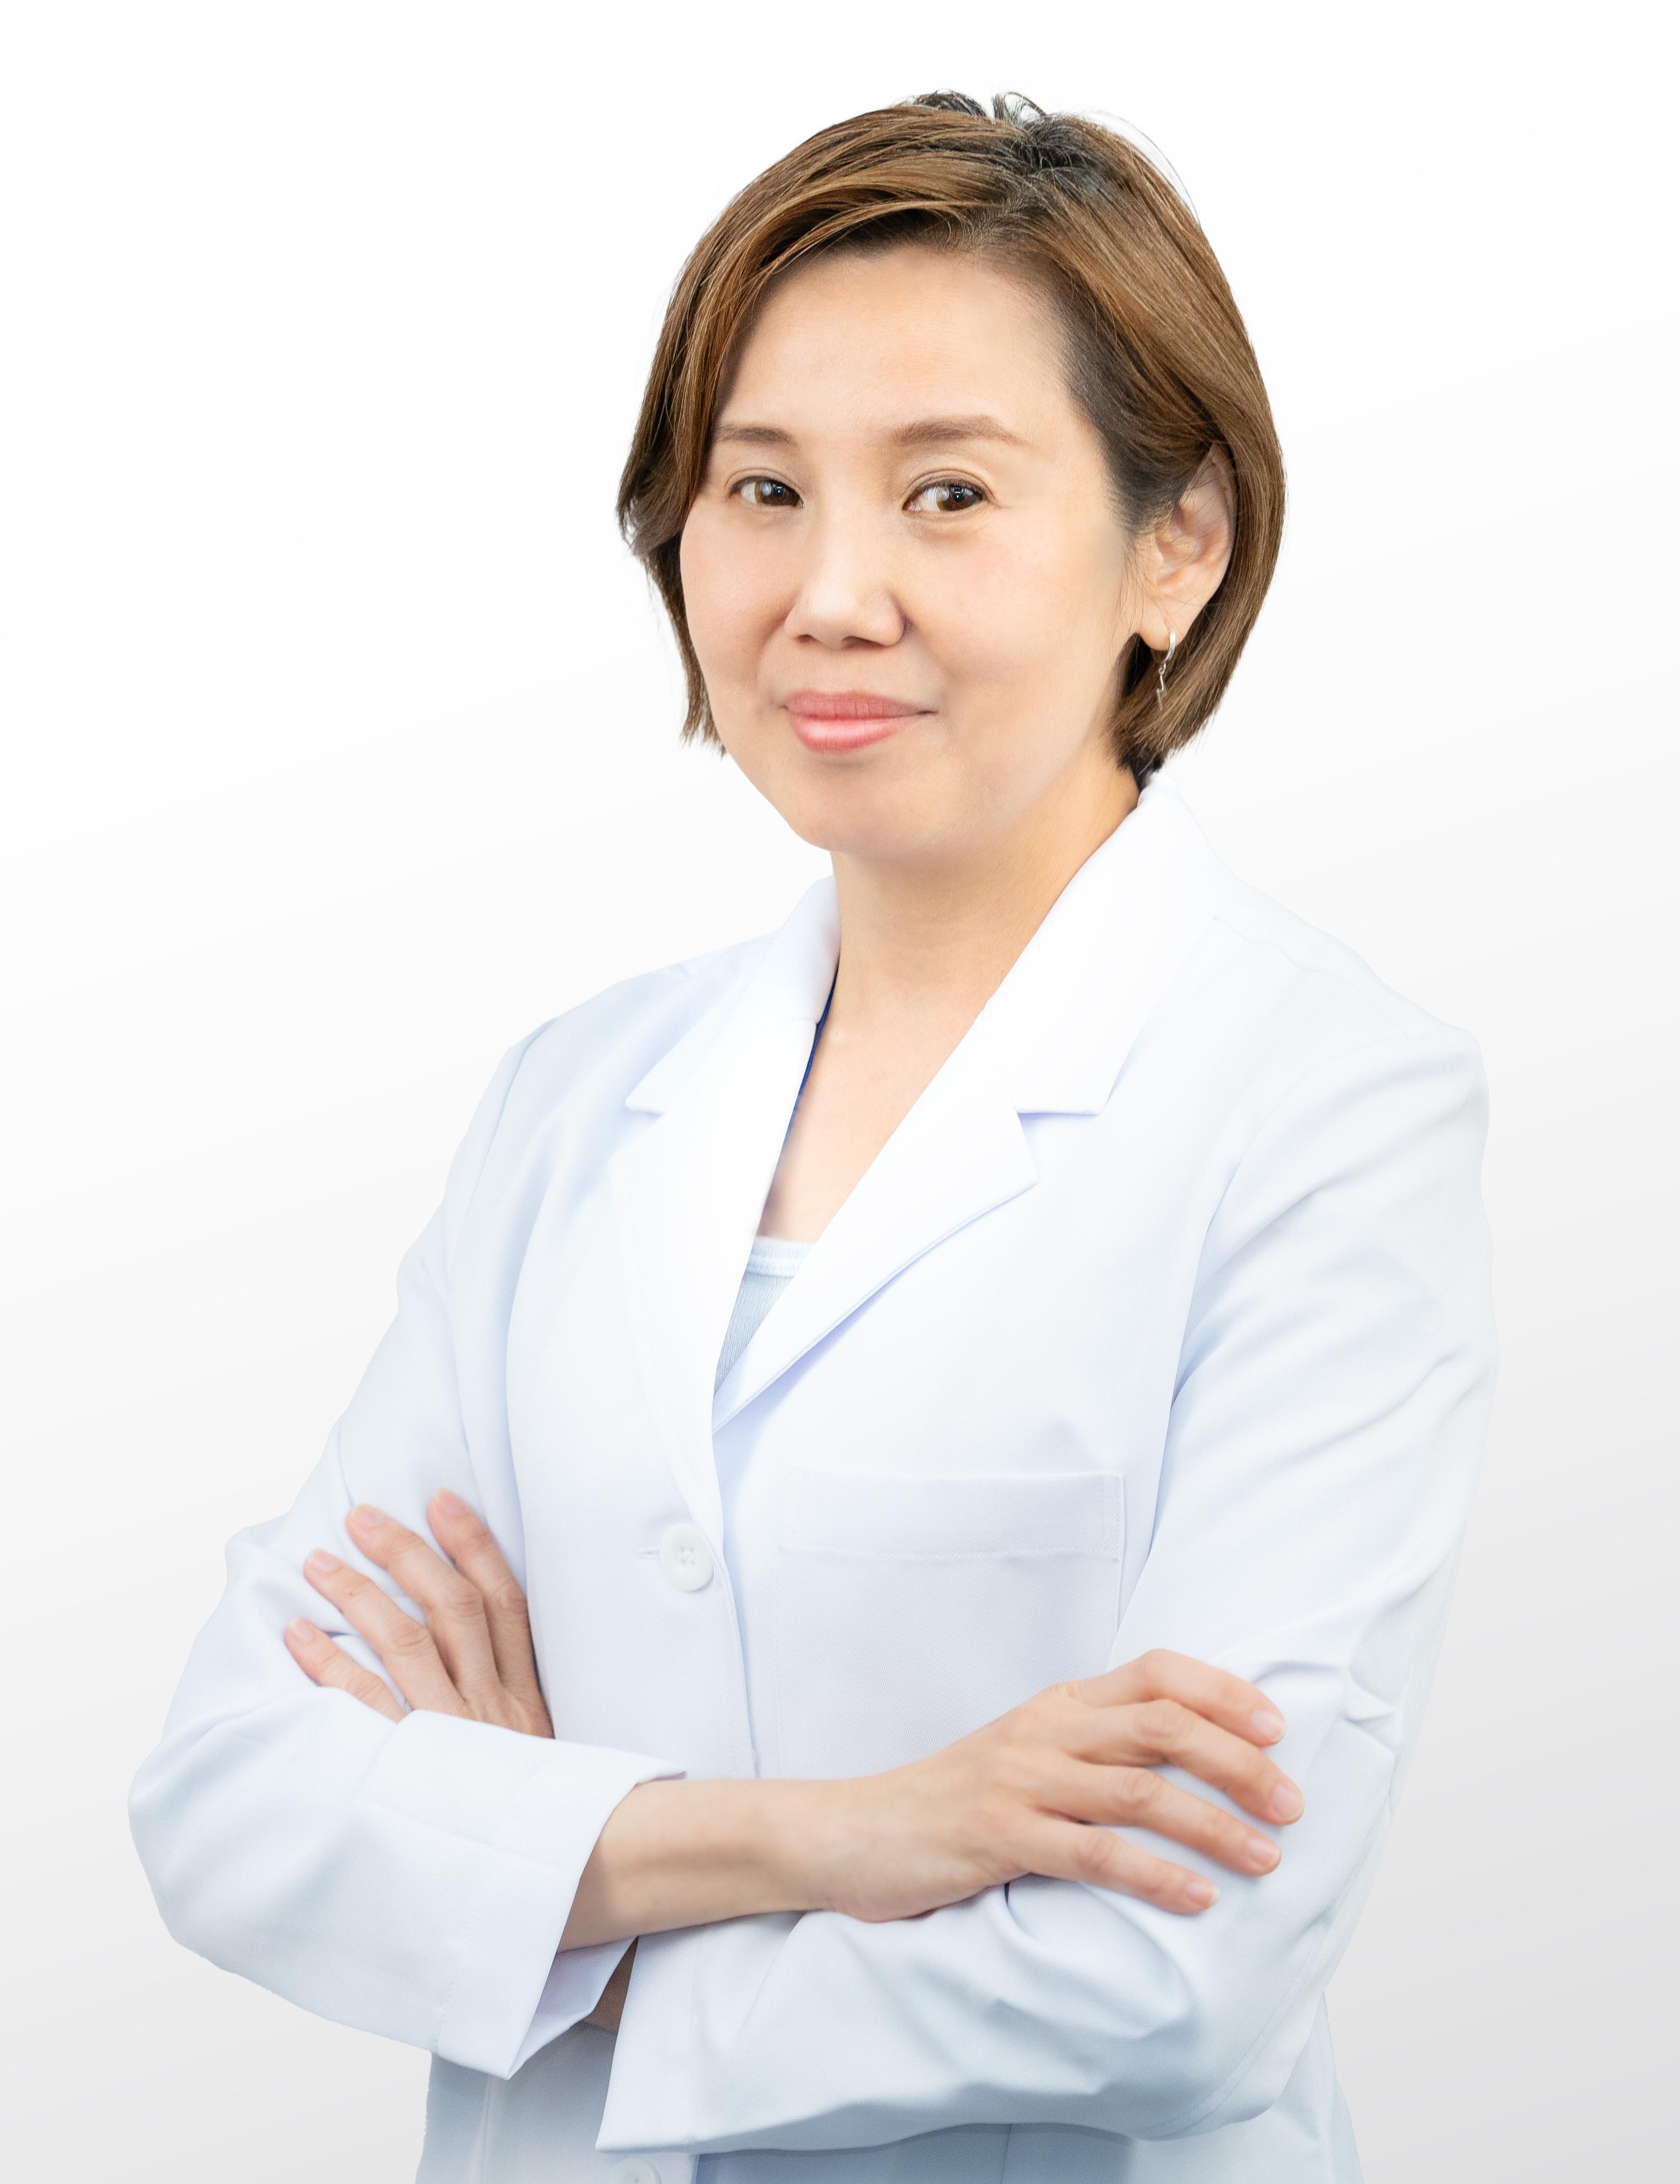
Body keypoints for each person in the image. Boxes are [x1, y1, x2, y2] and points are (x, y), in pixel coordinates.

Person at [129, 92, 1496, 2184]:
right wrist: (843, 1834)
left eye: (948, 492)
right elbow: (232, 1793)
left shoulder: (1320, 1107)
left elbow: (1182, 1971)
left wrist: (539, 1887)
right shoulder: (577, 1098)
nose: (831, 594)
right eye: (761, 487)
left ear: (1180, 542)